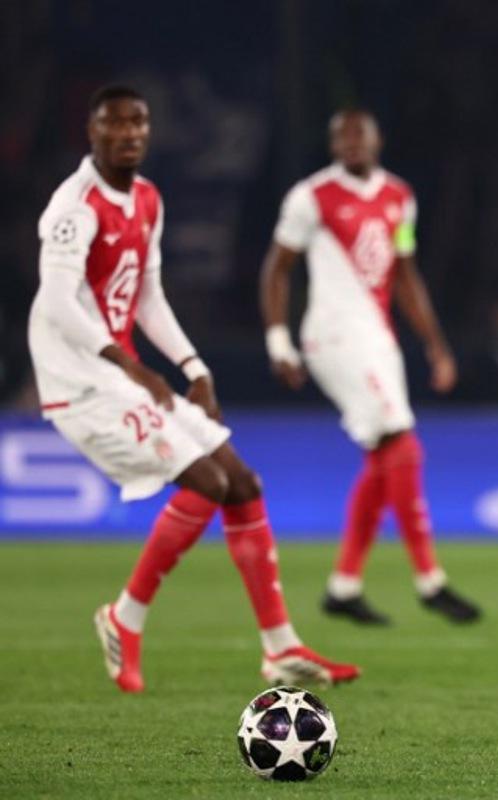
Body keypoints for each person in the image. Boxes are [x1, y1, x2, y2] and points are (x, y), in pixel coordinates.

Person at [28, 85, 359, 692]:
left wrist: (193, 366)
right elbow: (55, 303)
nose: (129, 133)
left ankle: (280, 649)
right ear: (93, 133)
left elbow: (147, 295)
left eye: (139, 123)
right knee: (206, 481)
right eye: (115, 124)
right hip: (80, 378)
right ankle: (124, 618)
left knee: (242, 483)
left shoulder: (148, 199)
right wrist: (129, 366)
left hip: (119, 371)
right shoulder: (75, 207)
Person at [260, 109, 480, 625]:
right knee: (402, 443)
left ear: (378, 139)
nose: (351, 143)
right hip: (333, 335)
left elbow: (405, 275)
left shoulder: (399, 198)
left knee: (385, 457)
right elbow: (277, 268)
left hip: (378, 339)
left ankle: (343, 586)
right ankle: (430, 580)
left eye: (360, 134)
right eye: (341, 136)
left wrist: (436, 345)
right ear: (333, 144)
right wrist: (278, 341)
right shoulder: (310, 196)